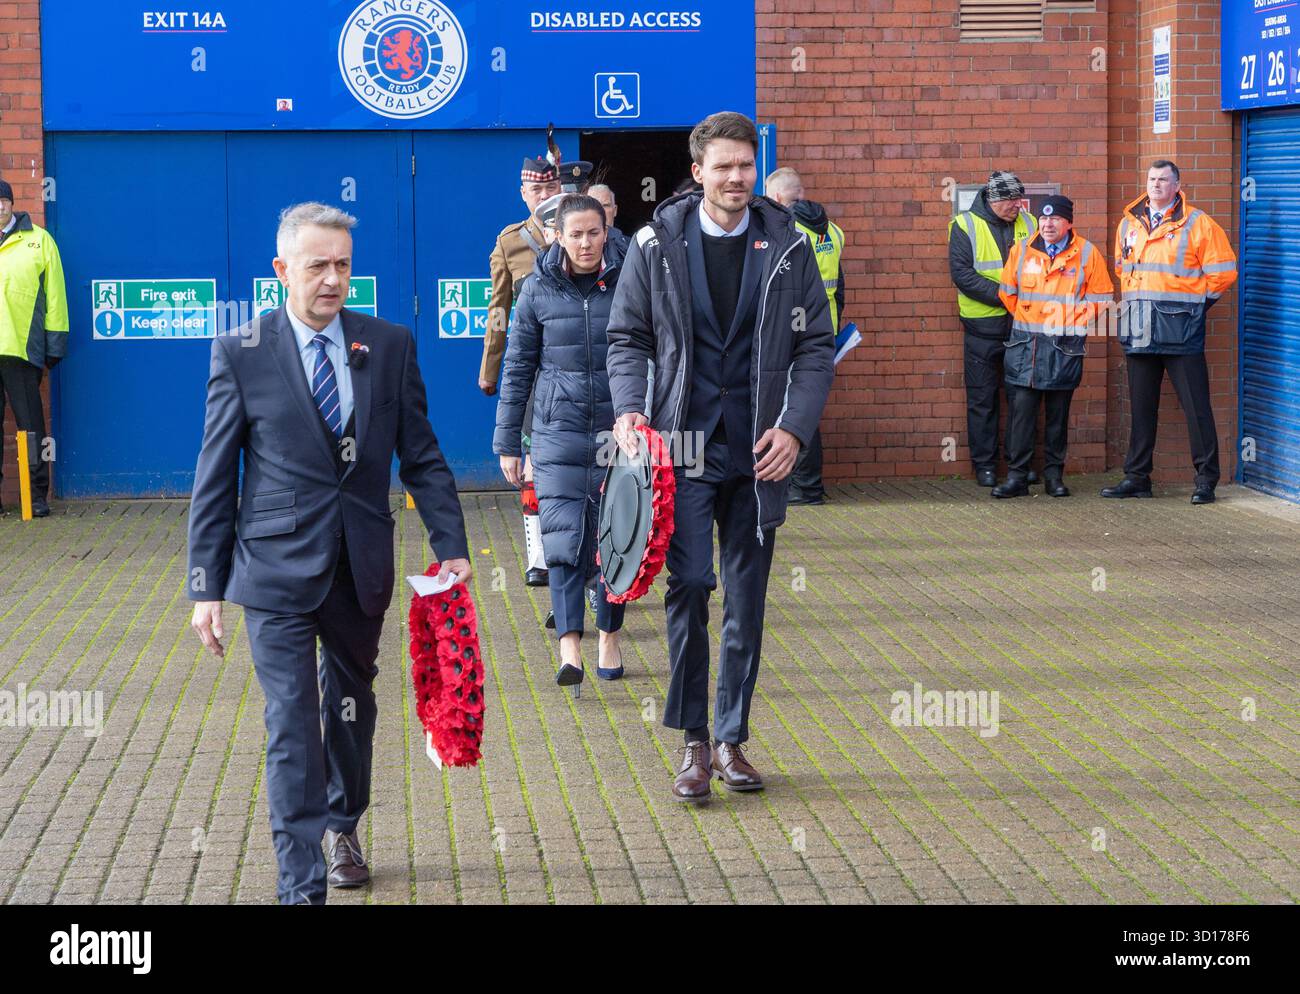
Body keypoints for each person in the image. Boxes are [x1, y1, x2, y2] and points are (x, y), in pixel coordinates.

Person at [187, 202, 470, 905]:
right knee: (290, 722)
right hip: (275, 570)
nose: (334, 279)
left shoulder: (389, 344)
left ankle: (344, 824)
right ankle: (300, 883)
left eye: (344, 265)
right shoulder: (241, 352)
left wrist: (452, 546)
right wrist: (205, 585)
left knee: (351, 705)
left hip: (360, 563)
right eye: (318, 266)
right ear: (282, 270)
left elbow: (423, 455)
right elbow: (215, 474)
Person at [606, 112, 834, 803]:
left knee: (747, 601)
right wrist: (628, 407)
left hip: (760, 450)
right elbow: (627, 336)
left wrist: (794, 428)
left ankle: (732, 740)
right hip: (680, 446)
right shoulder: (656, 244)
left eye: (746, 166)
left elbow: (816, 347)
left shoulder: (790, 244)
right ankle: (693, 743)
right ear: (698, 171)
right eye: (724, 167)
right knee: (691, 588)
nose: (737, 179)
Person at [494, 195, 627, 694]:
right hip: (555, 431)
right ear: (556, 236)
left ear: (606, 230)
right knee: (564, 540)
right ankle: (570, 645)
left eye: (594, 232)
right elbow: (517, 368)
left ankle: (608, 636)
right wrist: (509, 440)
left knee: (614, 539)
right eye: (576, 234)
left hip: (618, 431)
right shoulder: (534, 290)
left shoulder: (629, 281)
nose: (586, 243)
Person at [1102, 160, 1238, 504]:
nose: (1156, 184)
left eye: (1164, 179)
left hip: (1181, 332)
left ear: (1177, 186)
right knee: (1141, 407)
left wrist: (1195, 309)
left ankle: (1206, 480)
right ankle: (1137, 478)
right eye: (1151, 179)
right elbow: (1123, 269)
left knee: (1196, 407)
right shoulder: (1128, 224)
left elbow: (1223, 273)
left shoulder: (1198, 223)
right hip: (1139, 330)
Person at [992, 195, 1113, 498]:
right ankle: (1017, 477)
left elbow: (1101, 297)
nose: (1047, 224)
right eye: (1043, 219)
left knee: (1058, 417)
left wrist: (1067, 320)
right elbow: (1008, 294)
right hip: (1026, 346)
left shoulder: (1087, 253)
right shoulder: (1021, 251)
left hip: (1063, 346)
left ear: (1068, 222)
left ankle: (1054, 478)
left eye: (1055, 219)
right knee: (1022, 416)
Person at [481, 155, 561, 586]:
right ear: (524, 194)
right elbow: (499, 308)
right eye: (537, 191)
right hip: (531, 368)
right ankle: (538, 557)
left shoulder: (579, 232)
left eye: (552, 190)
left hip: (576, 363)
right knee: (530, 465)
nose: (545, 197)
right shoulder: (510, 242)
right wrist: (490, 368)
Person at [948, 171, 1040, 488]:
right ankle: (984, 466)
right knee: (982, 401)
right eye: (1011, 200)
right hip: (981, 328)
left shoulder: (1030, 224)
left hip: (1022, 327)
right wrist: (1006, 297)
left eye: (1019, 199)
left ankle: (1019, 465)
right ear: (993, 199)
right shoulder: (964, 225)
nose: (1018, 205)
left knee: (1022, 400)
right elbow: (962, 275)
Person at [765, 166, 845, 505]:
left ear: (780, 198)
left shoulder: (786, 231)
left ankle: (804, 486)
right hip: (824, 328)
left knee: (792, 408)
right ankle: (808, 485)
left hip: (790, 331)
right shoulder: (834, 231)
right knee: (807, 404)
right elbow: (839, 288)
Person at [0, 178, 68, 518]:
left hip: (21, 350)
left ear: (11, 204)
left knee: (30, 427)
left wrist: (55, 344)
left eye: (3, 200)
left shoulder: (40, 241)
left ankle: (37, 497)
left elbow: (55, 296)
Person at [588, 183, 628, 257]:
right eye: (594, 206)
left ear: (615, 210)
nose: (600, 211)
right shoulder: (579, 247)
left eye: (605, 205)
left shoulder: (632, 246)